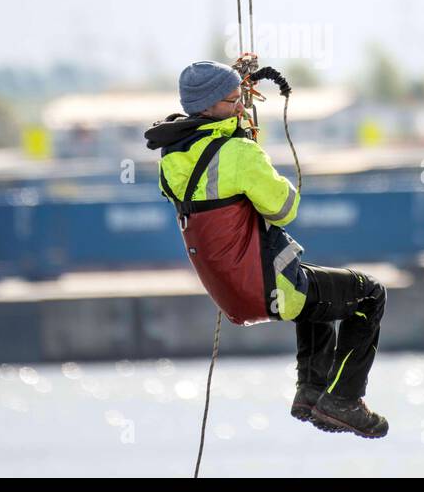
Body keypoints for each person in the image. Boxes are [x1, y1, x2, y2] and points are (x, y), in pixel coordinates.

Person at [144, 60, 388, 438]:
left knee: (314, 293)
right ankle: (344, 399)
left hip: (233, 293)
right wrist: (252, 152)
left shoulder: (170, 157)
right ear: (207, 106)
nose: (241, 106)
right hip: (265, 286)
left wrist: (238, 139)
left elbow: (219, 193)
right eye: (232, 100)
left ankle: (310, 391)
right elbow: (284, 209)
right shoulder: (238, 152)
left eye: (240, 97)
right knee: (370, 294)